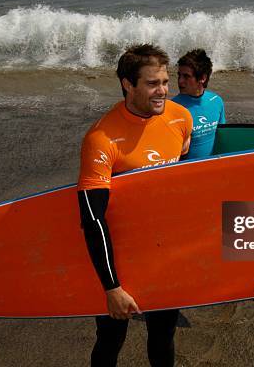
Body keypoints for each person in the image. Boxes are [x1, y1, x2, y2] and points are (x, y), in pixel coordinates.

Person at [77, 44, 193, 366]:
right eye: (153, 84)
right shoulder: (102, 138)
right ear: (128, 84)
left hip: (165, 255)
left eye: (166, 82)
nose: (163, 91)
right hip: (121, 261)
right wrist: (112, 286)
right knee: (111, 338)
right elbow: (92, 219)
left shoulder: (180, 118)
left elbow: (182, 182)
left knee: (163, 335)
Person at [172, 49, 226, 159]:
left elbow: (222, 137)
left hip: (210, 169)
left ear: (202, 78)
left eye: (186, 76)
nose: (180, 81)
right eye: (179, 75)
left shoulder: (216, 101)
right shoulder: (172, 108)